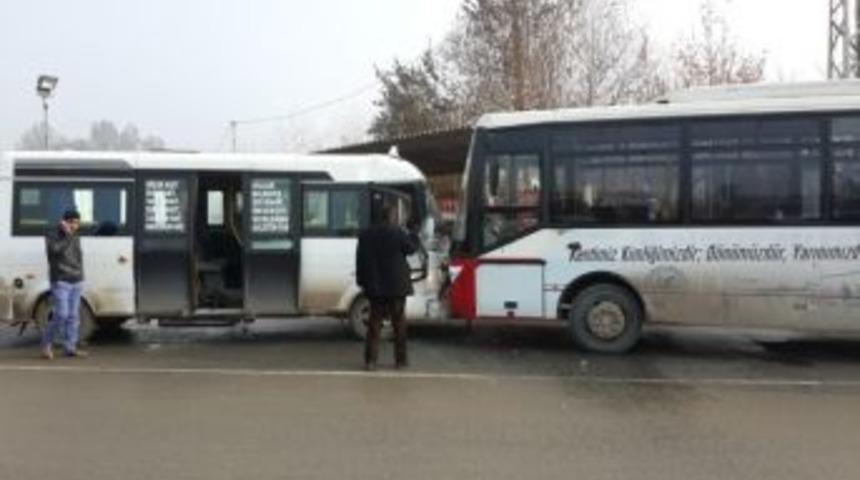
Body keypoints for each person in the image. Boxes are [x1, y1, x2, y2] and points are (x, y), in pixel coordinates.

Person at [356, 202, 417, 371]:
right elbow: (411, 249)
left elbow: (360, 261)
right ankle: (401, 361)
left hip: (375, 287)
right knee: (399, 325)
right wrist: (413, 233)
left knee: (374, 325)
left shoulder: (365, 235)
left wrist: (362, 282)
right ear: (392, 217)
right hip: (397, 287)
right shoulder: (398, 233)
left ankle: (370, 361)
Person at [41, 209, 88, 360]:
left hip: (76, 280)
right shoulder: (52, 234)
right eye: (72, 222)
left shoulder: (76, 236)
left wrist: (81, 275)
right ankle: (46, 345)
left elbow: (78, 256)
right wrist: (67, 235)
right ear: (64, 222)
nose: (75, 225)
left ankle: (70, 347)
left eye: (77, 222)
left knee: (73, 316)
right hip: (61, 280)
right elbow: (54, 250)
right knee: (61, 314)